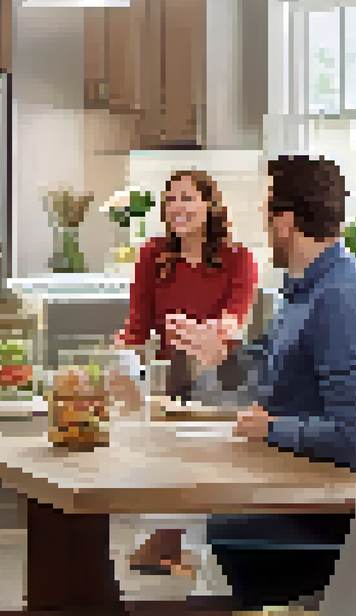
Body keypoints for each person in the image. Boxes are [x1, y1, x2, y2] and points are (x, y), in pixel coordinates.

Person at [189, 155, 356, 612]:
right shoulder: (304, 292)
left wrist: (270, 430)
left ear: (285, 221)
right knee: (206, 525)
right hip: (298, 490)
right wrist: (222, 354)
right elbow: (267, 368)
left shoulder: (345, 301)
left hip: (332, 519)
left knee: (217, 529)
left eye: (266, 212)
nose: (264, 226)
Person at [117, 170, 259, 578]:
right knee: (172, 463)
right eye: (171, 199)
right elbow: (138, 324)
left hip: (221, 374)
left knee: (204, 463)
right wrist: (118, 356)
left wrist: (209, 334)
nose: (177, 207)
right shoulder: (153, 255)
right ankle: (165, 544)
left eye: (187, 198)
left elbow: (235, 320)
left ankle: (167, 545)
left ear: (209, 205)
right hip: (170, 375)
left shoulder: (238, 258)